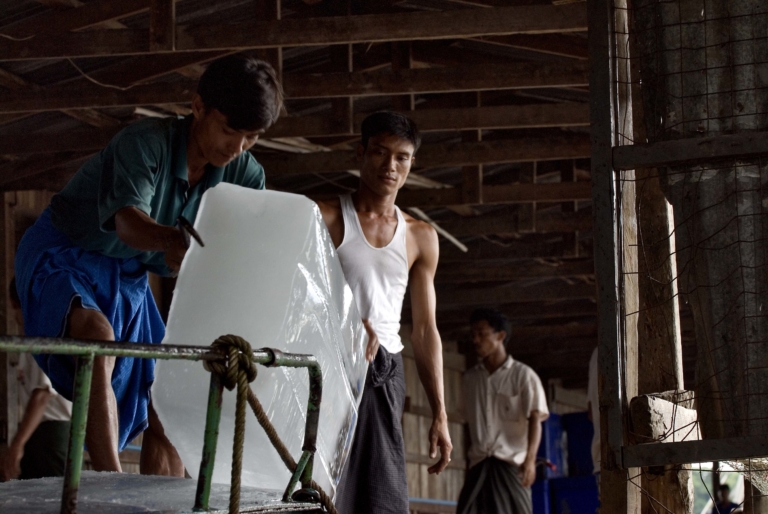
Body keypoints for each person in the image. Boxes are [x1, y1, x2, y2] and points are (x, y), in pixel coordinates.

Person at [14, 54, 283, 476]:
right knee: (98, 337)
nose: (237, 148)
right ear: (198, 107)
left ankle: (168, 500)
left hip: (128, 272)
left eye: (251, 137)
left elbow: (245, 251)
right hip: (65, 248)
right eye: (229, 130)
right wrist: (174, 241)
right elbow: (128, 223)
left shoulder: (245, 175)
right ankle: (110, 481)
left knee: (165, 391)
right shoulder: (144, 143)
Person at [316, 111, 452, 513]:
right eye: (379, 152)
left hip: (385, 375)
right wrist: (347, 322)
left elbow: (425, 331)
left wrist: (441, 413)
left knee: (382, 496)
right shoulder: (325, 217)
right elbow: (299, 298)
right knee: (320, 488)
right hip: (328, 369)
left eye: (402, 157)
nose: (390, 165)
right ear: (360, 153)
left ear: (411, 163)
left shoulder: (421, 236)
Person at [457, 308, 549, 514]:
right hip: (479, 466)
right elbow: (467, 424)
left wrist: (530, 461)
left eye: (481, 333)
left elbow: (535, 419)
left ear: (500, 336)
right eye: (473, 334)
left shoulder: (523, 376)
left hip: (511, 465)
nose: (475, 340)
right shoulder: (470, 380)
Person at [0, 278, 72, 481]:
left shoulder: (44, 336)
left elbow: (42, 396)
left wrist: (17, 445)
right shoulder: (32, 339)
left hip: (52, 433)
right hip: (39, 433)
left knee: (50, 495)